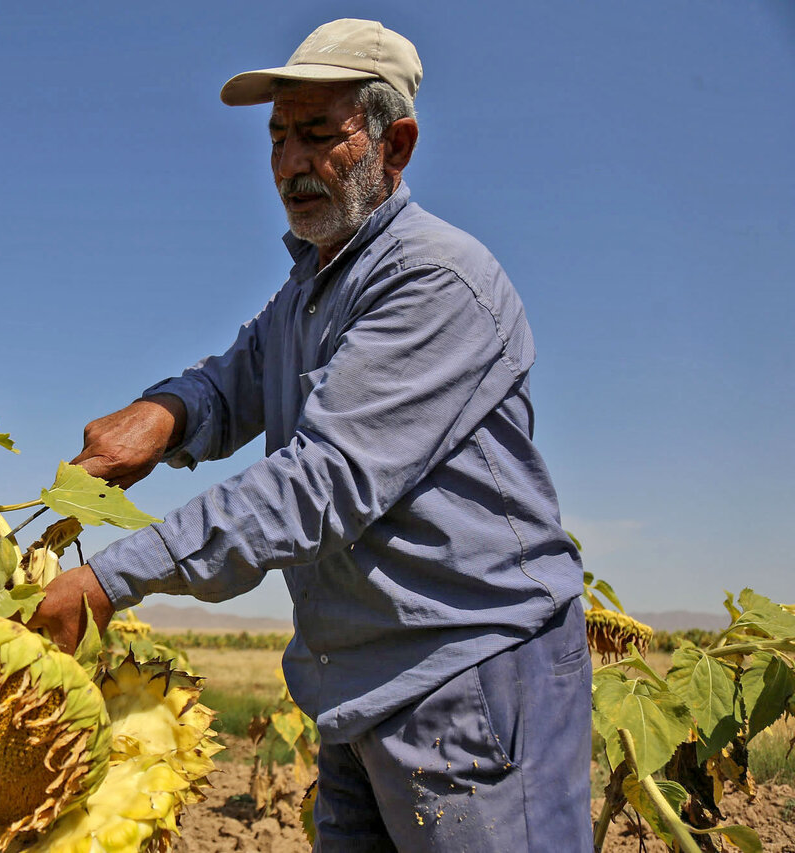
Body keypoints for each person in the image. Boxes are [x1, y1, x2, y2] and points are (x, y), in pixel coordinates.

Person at [29, 18, 591, 852]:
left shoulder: (433, 280)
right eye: (279, 136)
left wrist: (109, 578)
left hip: (466, 684)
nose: (290, 163)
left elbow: (318, 484)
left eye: (319, 135)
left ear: (394, 145)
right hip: (354, 692)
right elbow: (233, 377)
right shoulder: (312, 290)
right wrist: (165, 414)